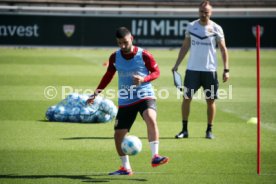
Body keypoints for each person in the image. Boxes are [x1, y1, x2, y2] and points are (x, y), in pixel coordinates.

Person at [87, 27, 169, 175]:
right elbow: (108, 75)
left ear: (132, 38)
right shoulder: (115, 57)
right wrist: (95, 94)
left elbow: (156, 72)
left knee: (150, 118)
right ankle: (126, 168)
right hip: (126, 99)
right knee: (118, 135)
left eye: (125, 42)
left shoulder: (144, 55)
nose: (123, 46)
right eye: (119, 43)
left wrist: (144, 79)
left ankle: (155, 156)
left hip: (144, 94)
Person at [172, 0, 229, 139]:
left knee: (210, 101)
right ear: (198, 12)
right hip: (192, 70)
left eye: (206, 12)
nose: (204, 14)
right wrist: (177, 64)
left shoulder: (217, 28)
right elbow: (185, 46)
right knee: (186, 98)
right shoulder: (191, 26)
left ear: (211, 13)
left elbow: (223, 49)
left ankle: (209, 131)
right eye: (202, 12)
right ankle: (184, 130)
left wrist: (226, 69)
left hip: (210, 71)